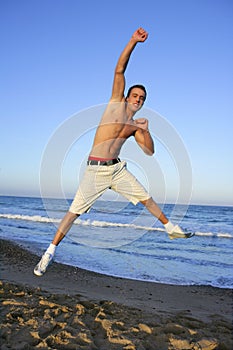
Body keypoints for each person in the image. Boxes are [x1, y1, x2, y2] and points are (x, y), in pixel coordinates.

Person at [34, 27, 193, 277]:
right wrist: (133, 42)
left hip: (117, 170)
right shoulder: (115, 103)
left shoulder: (135, 126)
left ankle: (170, 228)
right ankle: (49, 253)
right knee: (73, 213)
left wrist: (147, 130)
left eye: (142, 98)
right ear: (128, 96)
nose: (138, 100)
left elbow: (149, 152)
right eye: (135, 95)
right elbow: (120, 69)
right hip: (94, 170)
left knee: (146, 197)